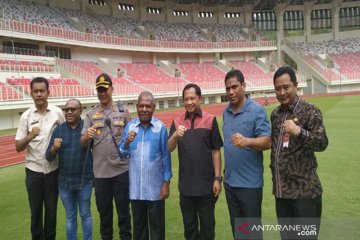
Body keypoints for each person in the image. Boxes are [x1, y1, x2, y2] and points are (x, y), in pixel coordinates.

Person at [270, 66, 328, 239]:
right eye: (278, 88)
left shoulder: (310, 111)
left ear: (296, 85)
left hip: (305, 195)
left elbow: (322, 142)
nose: (282, 92)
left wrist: (299, 131)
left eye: (286, 87)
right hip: (282, 194)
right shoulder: (275, 115)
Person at [168, 83, 223, 240]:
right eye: (186, 99)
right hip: (186, 188)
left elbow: (216, 150)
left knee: (207, 230)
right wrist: (175, 136)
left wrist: (217, 179)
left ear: (200, 98)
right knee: (190, 231)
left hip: (206, 187)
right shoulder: (177, 121)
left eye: (193, 98)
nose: (189, 102)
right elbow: (169, 148)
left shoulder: (210, 120)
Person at [80, 73, 131, 240]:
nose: (102, 93)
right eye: (99, 90)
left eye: (105, 89)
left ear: (112, 89)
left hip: (121, 171)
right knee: (105, 216)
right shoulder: (90, 115)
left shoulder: (124, 112)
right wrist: (86, 136)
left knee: (124, 214)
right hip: (101, 174)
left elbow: (130, 140)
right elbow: (83, 144)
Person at [222, 69, 271, 239]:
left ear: (243, 85)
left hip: (249, 185)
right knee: (239, 232)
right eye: (228, 88)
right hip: (230, 183)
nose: (231, 92)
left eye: (234, 87)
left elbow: (268, 141)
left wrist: (247, 141)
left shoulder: (257, 110)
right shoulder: (226, 112)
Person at [15, 77, 65, 240]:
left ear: (48, 93)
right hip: (33, 172)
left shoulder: (58, 113)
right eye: (35, 91)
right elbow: (18, 147)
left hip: (53, 171)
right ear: (31, 94)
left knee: (51, 212)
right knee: (36, 212)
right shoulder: (26, 117)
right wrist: (30, 136)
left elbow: (65, 136)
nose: (39, 94)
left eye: (42, 91)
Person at [119, 91, 172, 240]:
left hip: (156, 190)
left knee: (157, 232)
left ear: (153, 107)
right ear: (137, 107)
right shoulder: (130, 127)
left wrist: (166, 182)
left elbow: (166, 158)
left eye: (148, 106)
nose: (144, 109)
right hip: (136, 190)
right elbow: (122, 154)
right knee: (139, 232)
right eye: (141, 106)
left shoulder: (160, 128)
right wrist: (127, 142)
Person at [45, 99, 93, 240]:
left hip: (84, 182)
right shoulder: (58, 130)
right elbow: (48, 157)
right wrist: (54, 148)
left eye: (73, 109)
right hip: (65, 183)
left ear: (80, 111)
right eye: (67, 110)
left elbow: (99, 150)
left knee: (85, 214)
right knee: (70, 217)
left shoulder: (87, 127)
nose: (69, 112)